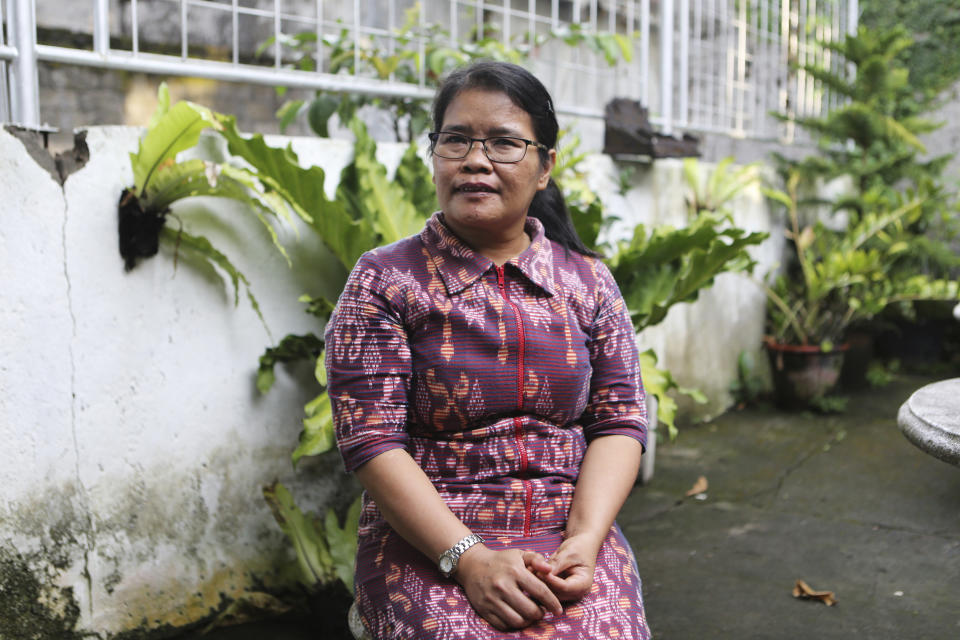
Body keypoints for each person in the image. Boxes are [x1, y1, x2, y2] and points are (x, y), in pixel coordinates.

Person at [325, 60, 651, 639]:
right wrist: (469, 560)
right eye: (456, 140)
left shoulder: (589, 282)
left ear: (545, 166)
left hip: (567, 531)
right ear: (435, 155)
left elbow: (620, 420)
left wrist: (584, 540)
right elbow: (371, 441)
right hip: (429, 541)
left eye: (504, 142)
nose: (475, 159)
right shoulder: (383, 281)